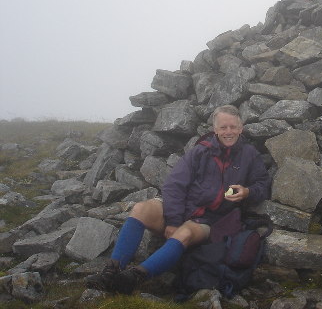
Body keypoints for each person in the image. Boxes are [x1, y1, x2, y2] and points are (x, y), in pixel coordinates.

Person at [86, 104, 271, 294]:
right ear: (215, 130)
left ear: (241, 128)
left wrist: (247, 192)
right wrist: (173, 219)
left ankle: (134, 278)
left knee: (184, 233)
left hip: (210, 220)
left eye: (233, 127)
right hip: (182, 210)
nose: (228, 131)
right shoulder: (200, 152)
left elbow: (263, 184)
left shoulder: (249, 155)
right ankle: (112, 271)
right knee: (141, 209)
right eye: (223, 127)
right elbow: (174, 185)